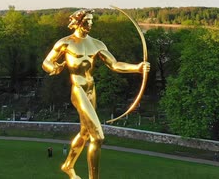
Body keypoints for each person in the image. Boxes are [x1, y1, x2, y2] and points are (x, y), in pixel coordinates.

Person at [42, 9, 149, 179]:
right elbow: (47, 61)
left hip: (91, 91)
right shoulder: (66, 43)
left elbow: (114, 64)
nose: (90, 24)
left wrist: (137, 68)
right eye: (87, 21)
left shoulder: (97, 44)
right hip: (78, 90)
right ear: (78, 22)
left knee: (85, 133)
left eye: (92, 21)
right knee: (98, 137)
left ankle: (68, 165)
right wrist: (53, 67)